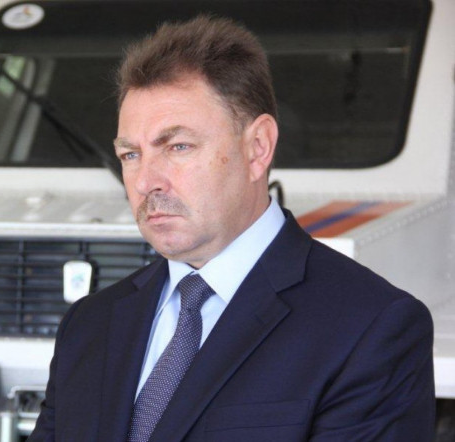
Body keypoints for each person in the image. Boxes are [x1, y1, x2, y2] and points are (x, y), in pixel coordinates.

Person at [29, 14, 435, 442]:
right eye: (131, 155)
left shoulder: (369, 328)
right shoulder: (88, 325)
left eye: (178, 146)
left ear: (258, 147)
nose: (146, 181)